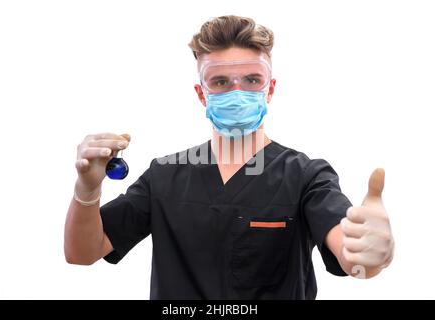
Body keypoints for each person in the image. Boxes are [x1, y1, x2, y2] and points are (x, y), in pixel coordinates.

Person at [64, 15, 394, 299]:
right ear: (201, 93)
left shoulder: (307, 177)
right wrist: (87, 190)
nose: (237, 92)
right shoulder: (163, 176)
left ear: (271, 88)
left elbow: (353, 255)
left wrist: (368, 251)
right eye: (220, 81)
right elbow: (83, 252)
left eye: (252, 80)